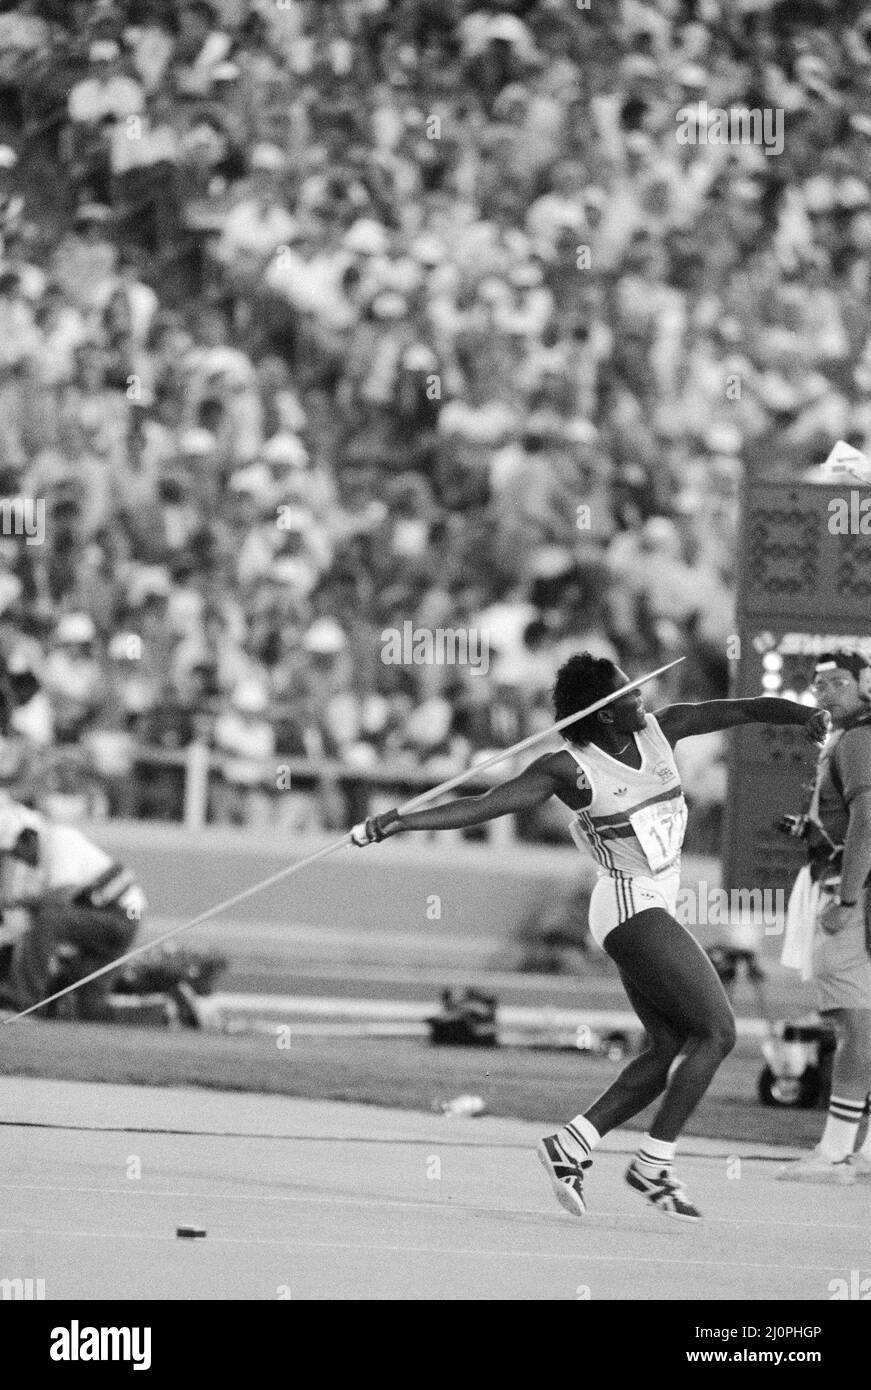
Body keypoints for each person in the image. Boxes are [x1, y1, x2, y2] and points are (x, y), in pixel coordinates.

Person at [351, 654, 830, 1220]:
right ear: (602, 713)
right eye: (627, 693)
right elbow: (485, 805)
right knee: (719, 1032)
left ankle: (571, 1144)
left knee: (671, 1045)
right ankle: (653, 1162)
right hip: (627, 904)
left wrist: (805, 716)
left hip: (650, 903)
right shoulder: (569, 769)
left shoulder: (662, 729)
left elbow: (745, 709)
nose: (641, 696)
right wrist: (402, 821)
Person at [778, 649, 871, 1184]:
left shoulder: (857, 739)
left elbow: (866, 822)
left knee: (853, 1023)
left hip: (852, 894)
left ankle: (834, 1153)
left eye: (838, 682)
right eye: (819, 685)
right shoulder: (853, 739)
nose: (824, 692)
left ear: (864, 684)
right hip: (856, 885)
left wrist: (849, 898)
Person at [0, 802, 145, 1021]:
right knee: (90, 1008)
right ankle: (161, 1013)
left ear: (28, 838)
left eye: (14, 852)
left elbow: (61, 898)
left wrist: (19, 903)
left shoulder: (58, 840)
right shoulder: (44, 861)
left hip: (127, 914)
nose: (18, 859)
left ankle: (20, 1002)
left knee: (49, 920)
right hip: (122, 916)